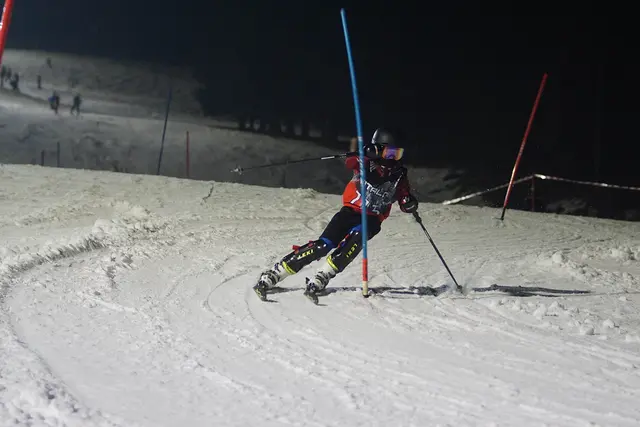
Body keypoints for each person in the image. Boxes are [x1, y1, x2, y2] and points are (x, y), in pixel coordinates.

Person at [253, 128, 419, 301]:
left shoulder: (399, 174)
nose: (393, 158)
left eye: (397, 154)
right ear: (378, 149)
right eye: (390, 153)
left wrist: (408, 202)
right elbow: (350, 162)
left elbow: (404, 195)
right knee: (323, 245)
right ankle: (277, 272)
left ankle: (324, 274)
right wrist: (365, 152)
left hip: (372, 219)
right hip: (350, 211)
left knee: (355, 239)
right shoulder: (366, 162)